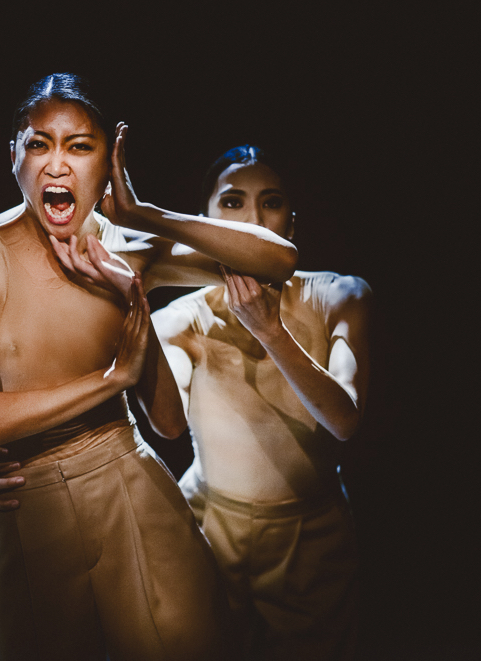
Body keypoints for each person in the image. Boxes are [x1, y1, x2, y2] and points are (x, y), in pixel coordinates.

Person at [0, 74, 298, 661]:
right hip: (29, 505)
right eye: (38, 143)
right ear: (14, 157)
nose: (56, 164)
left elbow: (278, 260)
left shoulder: (129, 250)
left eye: (80, 146)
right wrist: (112, 380)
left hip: (131, 478)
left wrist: (144, 220)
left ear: (108, 160)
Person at [153, 147, 370, 659]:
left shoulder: (339, 296)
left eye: (270, 203)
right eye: (231, 203)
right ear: (204, 223)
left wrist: (270, 331)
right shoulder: (180, 319)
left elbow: (344, 420)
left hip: (310, 535)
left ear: (290, 223)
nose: (252, 221)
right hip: (210, 525)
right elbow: (166, 425)